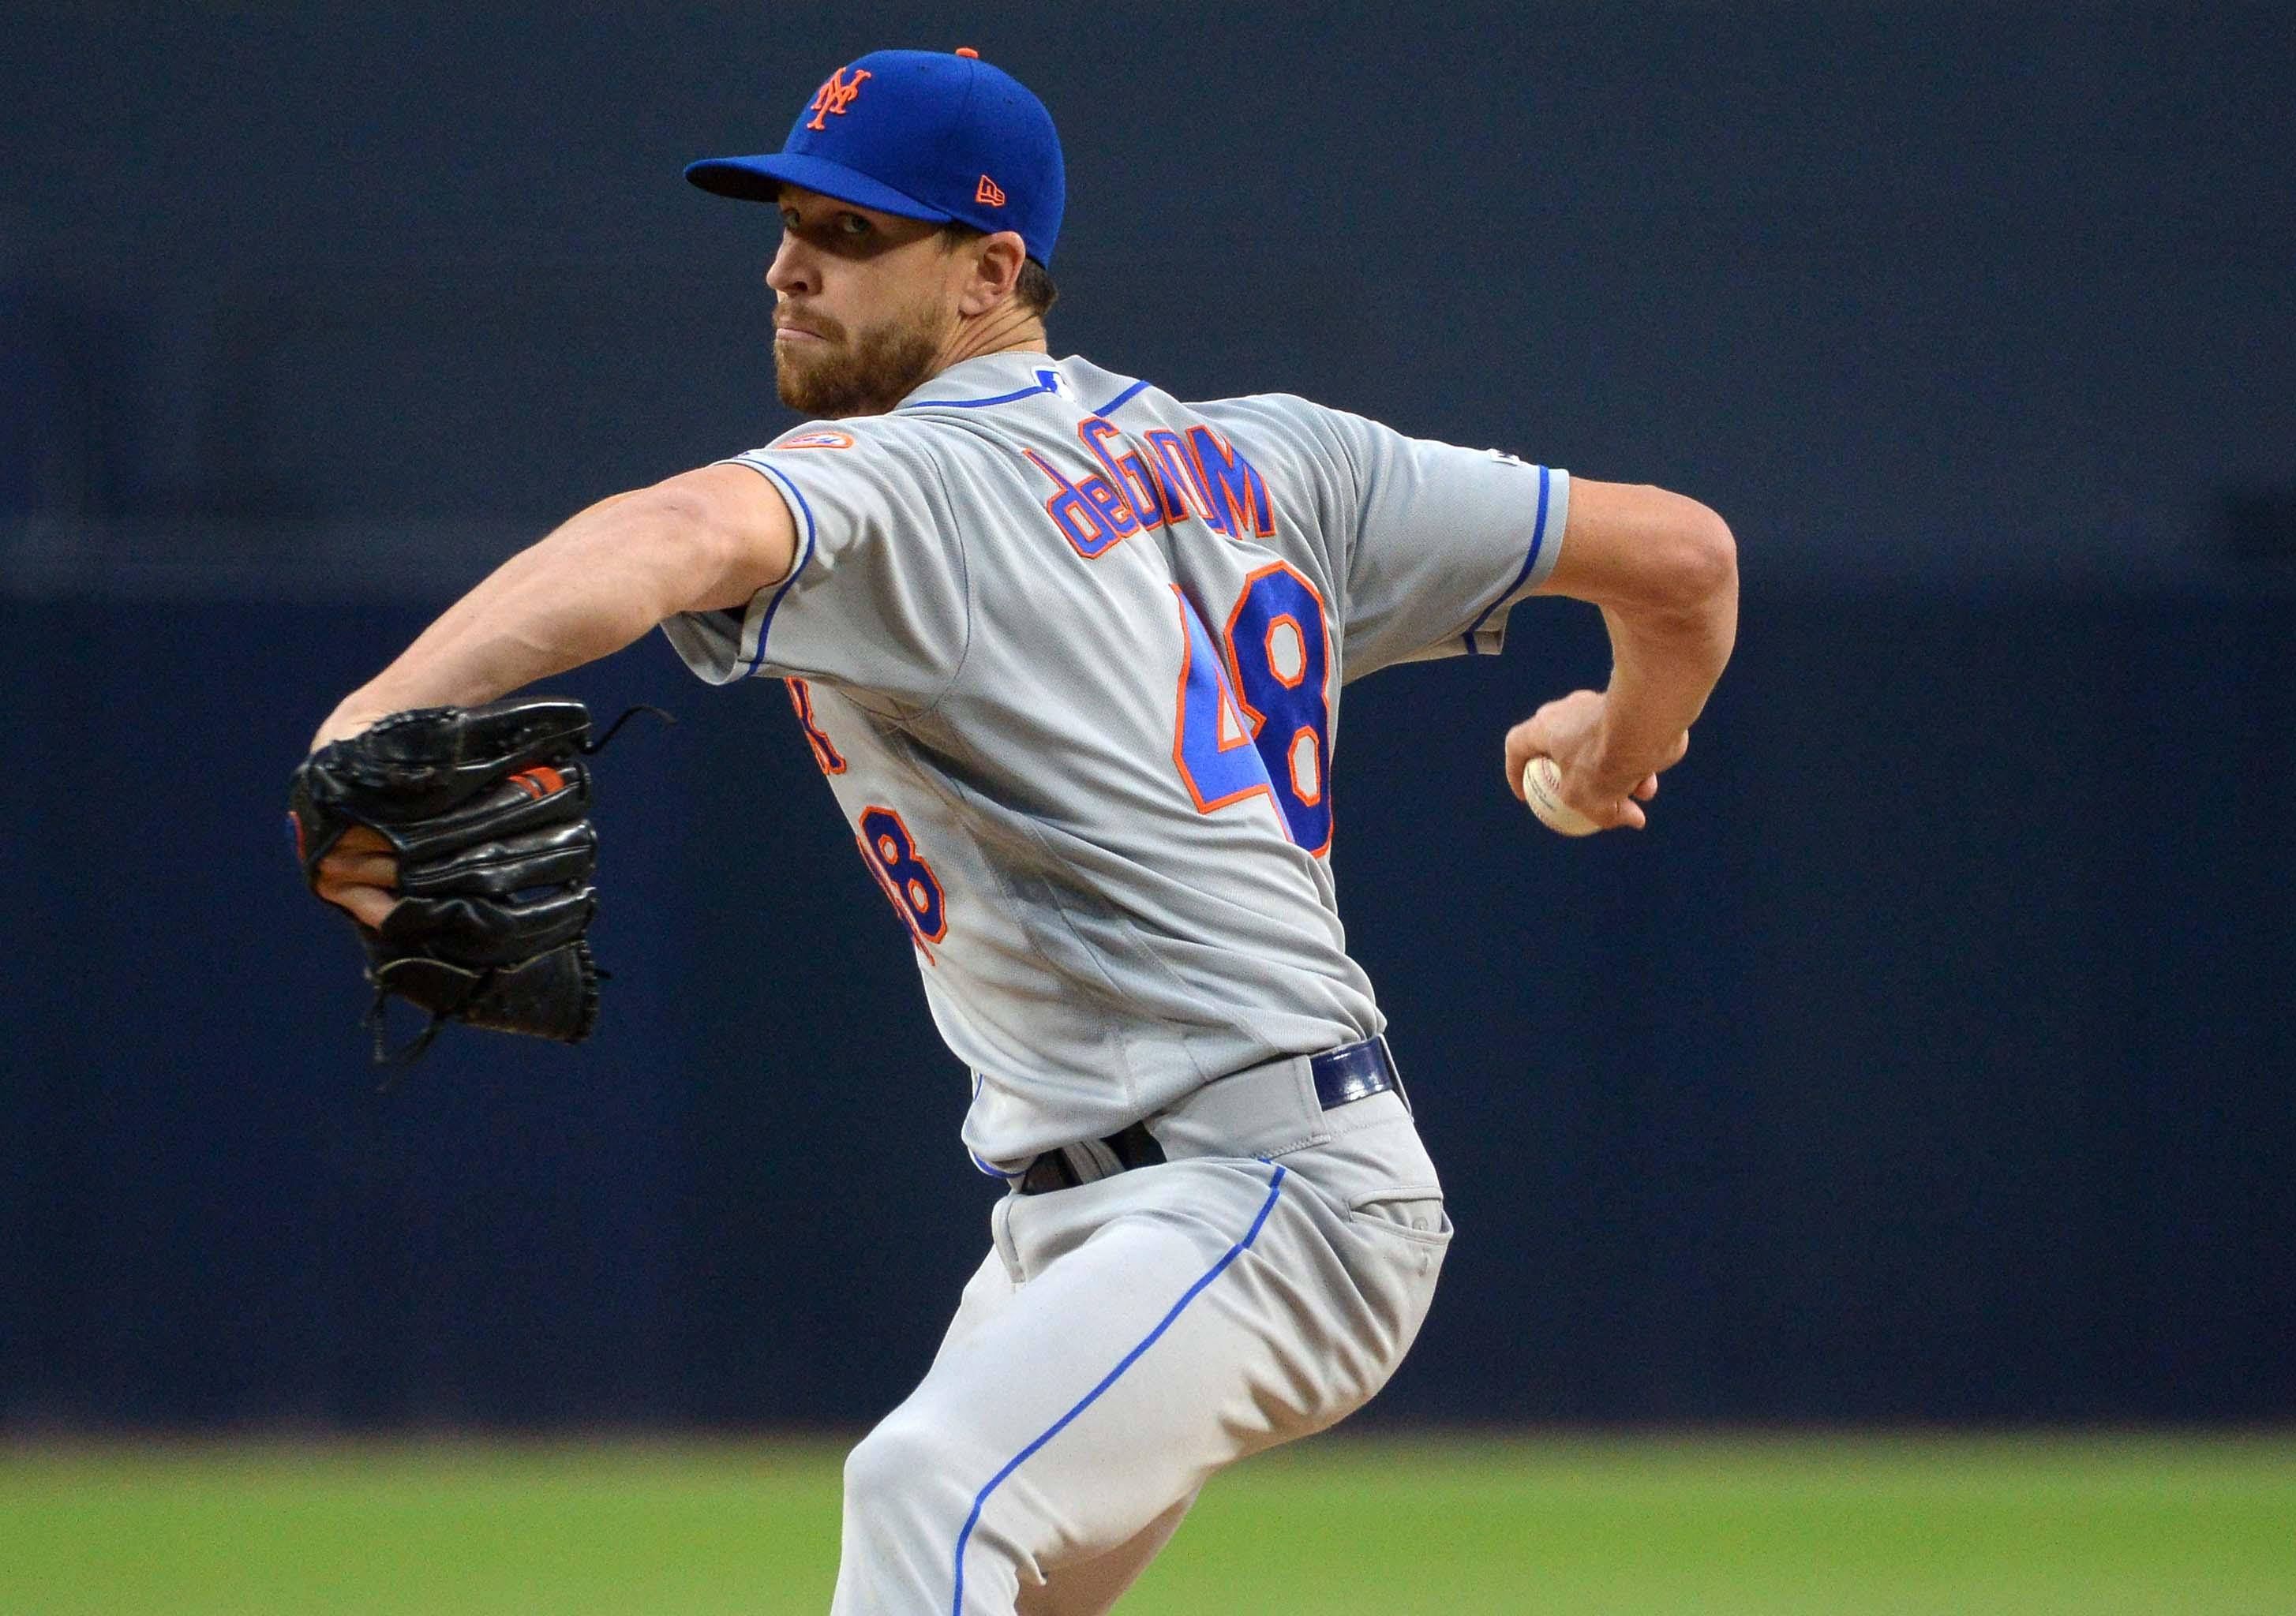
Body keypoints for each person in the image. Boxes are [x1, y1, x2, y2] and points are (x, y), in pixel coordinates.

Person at [306, 47, 1736, 1616]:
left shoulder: (921, 479)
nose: (788, 265)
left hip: (1264, 1191)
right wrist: (1615, 748)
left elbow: (669, 535)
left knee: (925, 1492)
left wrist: (372, 714)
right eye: (787, 220)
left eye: (853, 234)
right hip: (1101, 1223)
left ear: (991, 273)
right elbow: (1680, 559)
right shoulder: (1279, 461)